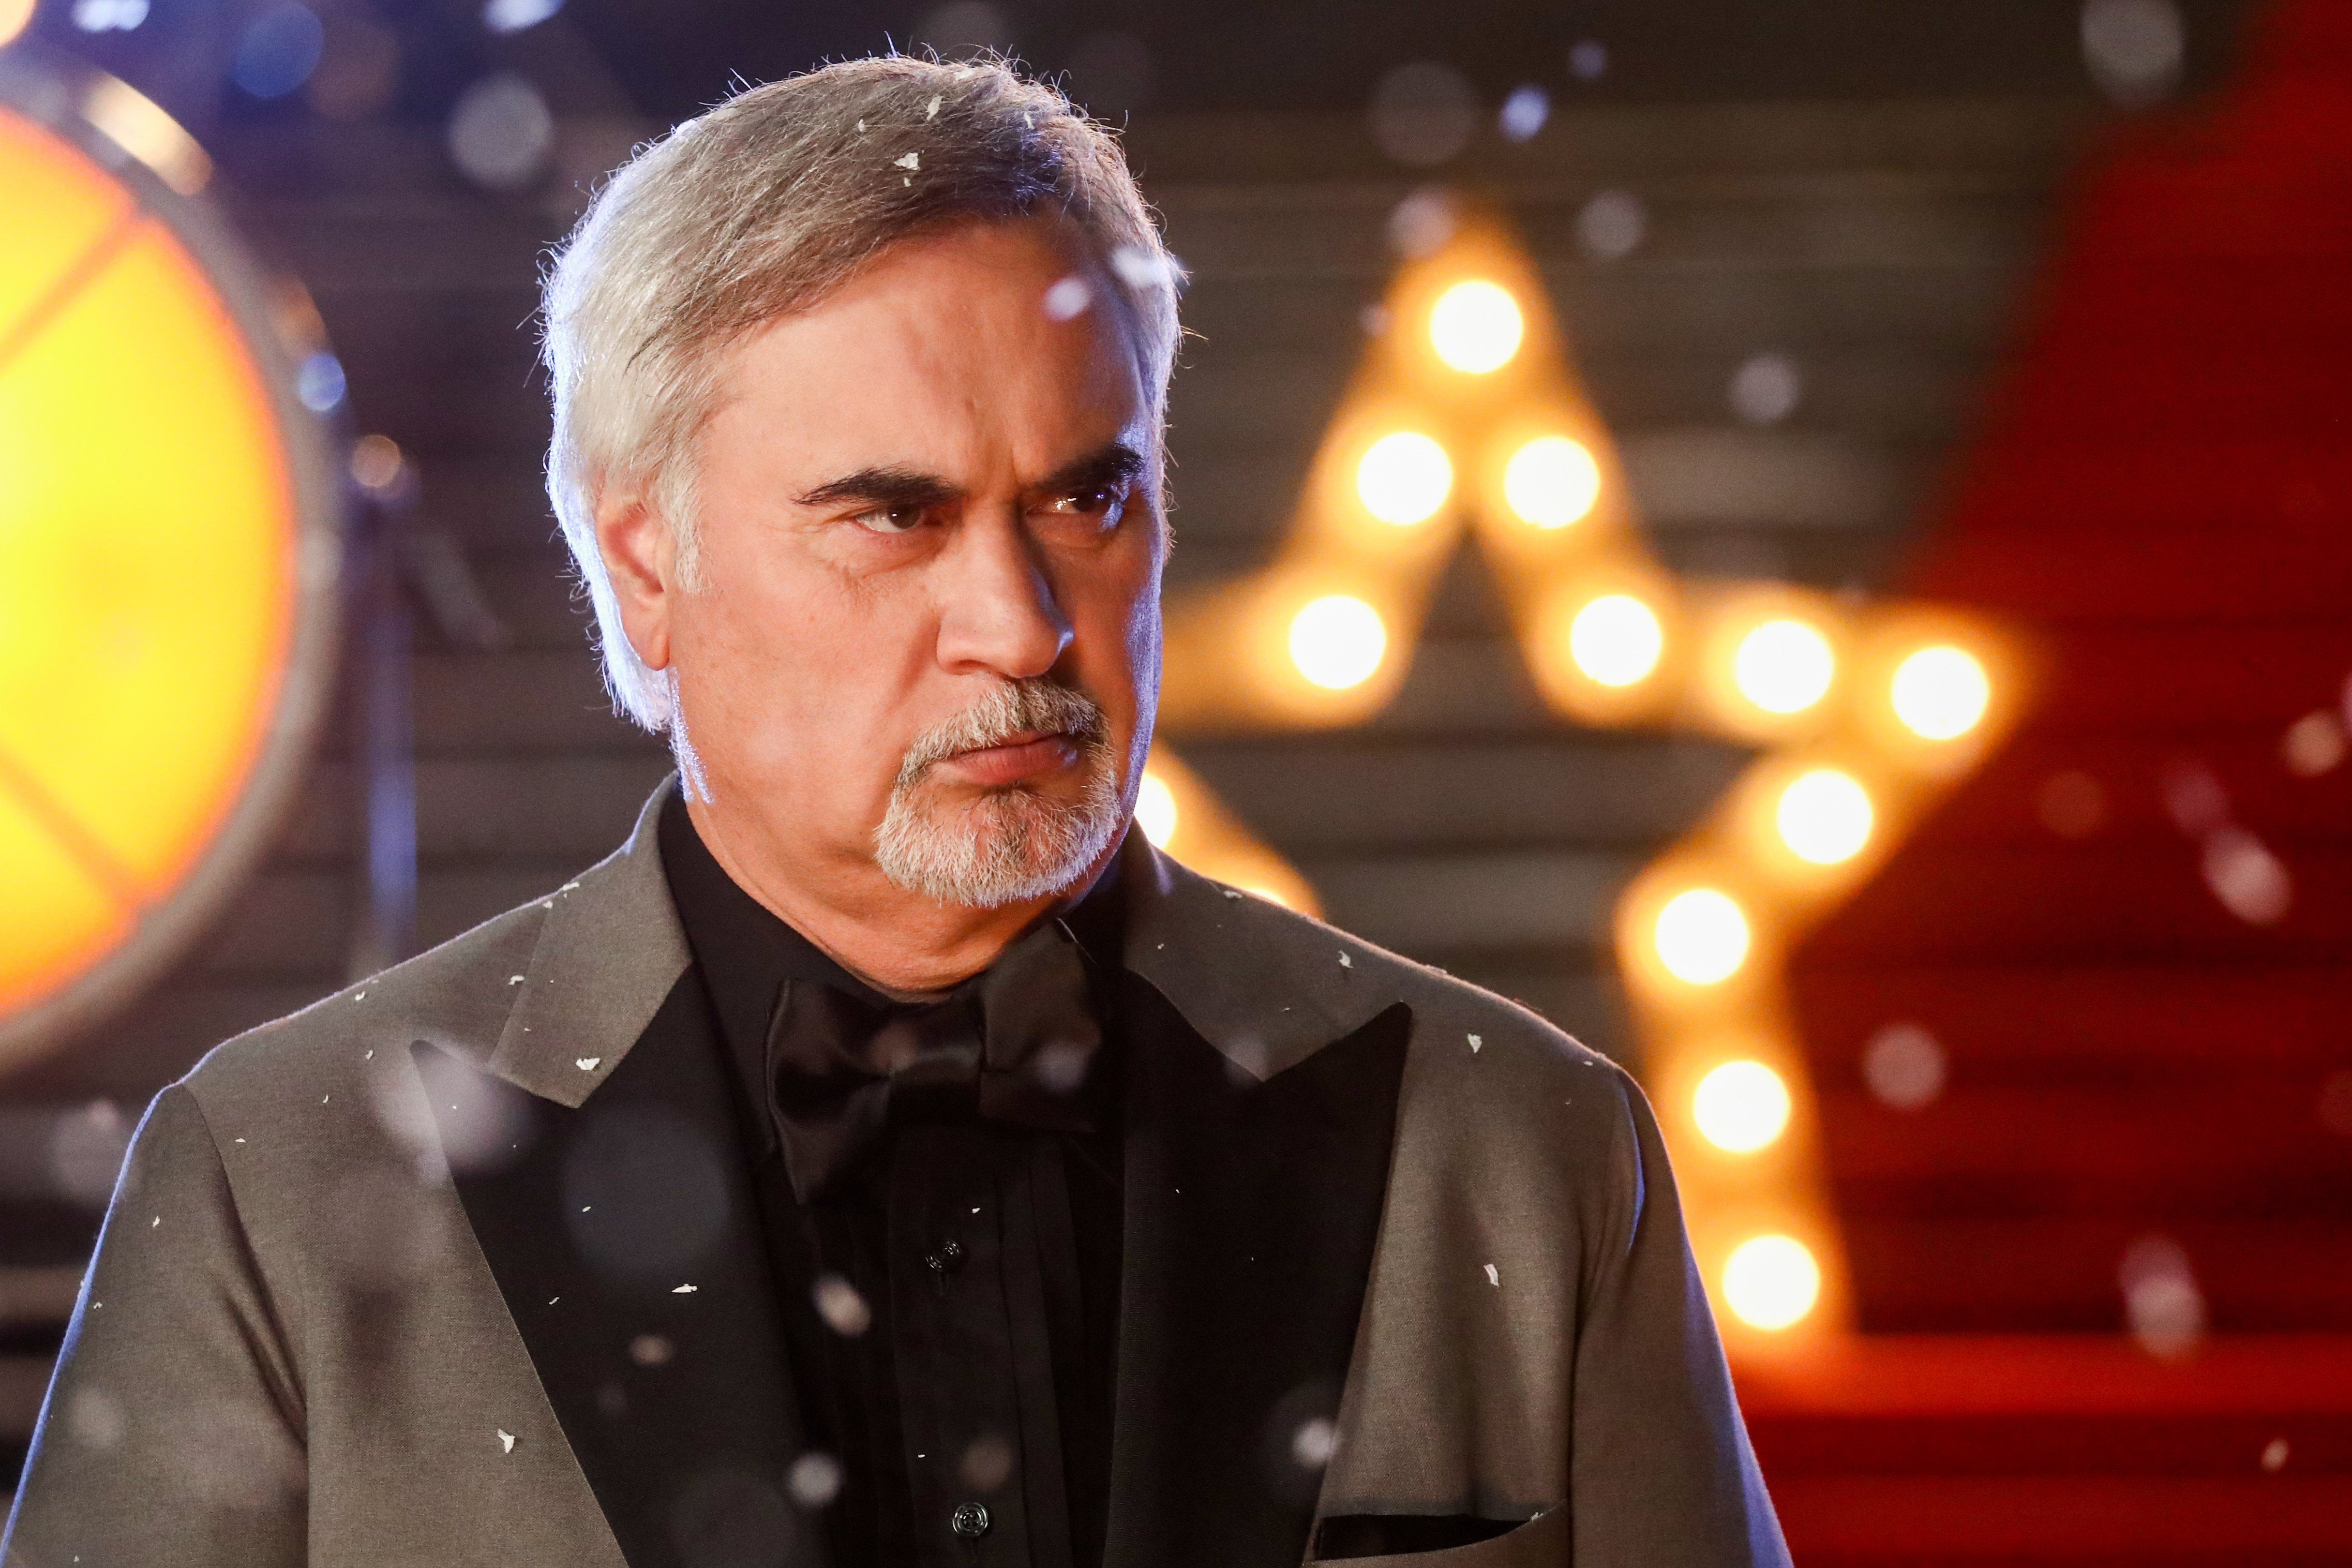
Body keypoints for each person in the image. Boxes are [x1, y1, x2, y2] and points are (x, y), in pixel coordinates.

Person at [1, 55, 1787, 1568]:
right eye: (895, 515)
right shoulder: (273, 1190)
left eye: (1086, 498)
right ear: (643, 567)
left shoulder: (1531, 1151)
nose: (1021, 622)